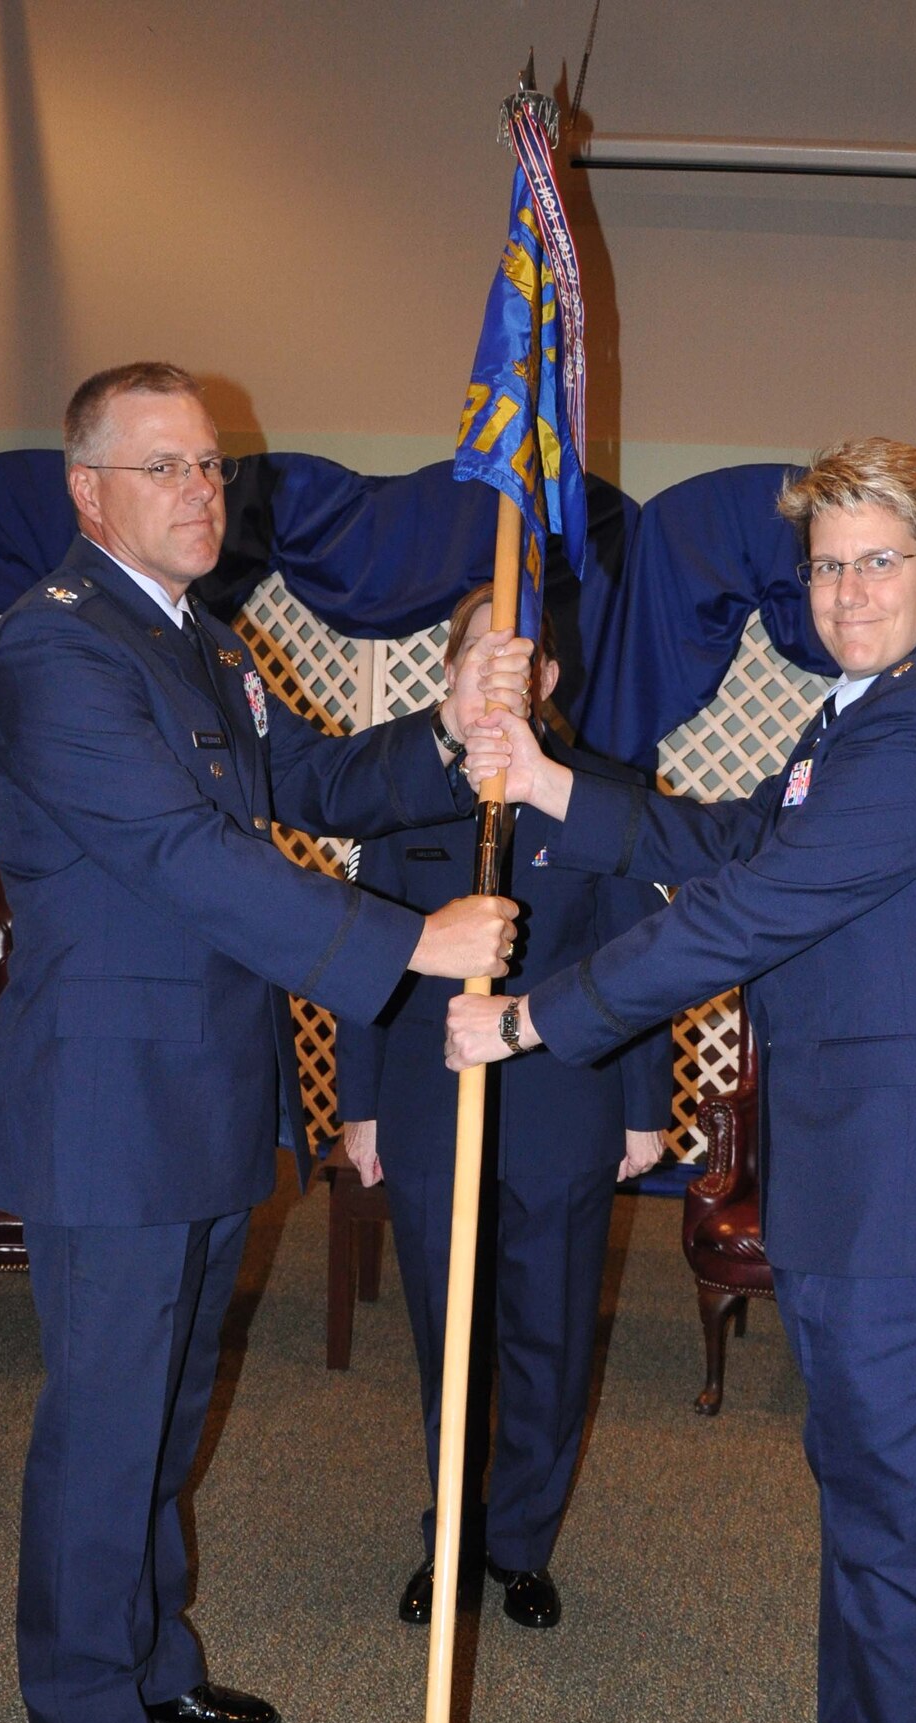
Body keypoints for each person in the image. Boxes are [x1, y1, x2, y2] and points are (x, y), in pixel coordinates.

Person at [447, 439, 916, 1723]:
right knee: (862, 1490)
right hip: (867, 1176)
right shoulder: (860, 716)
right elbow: (725, 837)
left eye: (878, 563)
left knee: (896, 1515)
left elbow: (752, 905)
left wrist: (537, 1016)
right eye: (828, 564)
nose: (847, 591)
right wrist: (544, 780)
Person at [0, 361, 529, 1723]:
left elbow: (315, 782)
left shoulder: (202, 642)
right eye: (165, 468)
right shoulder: (54, 650)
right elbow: (182, 855)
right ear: (87, 491)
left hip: (206, 1086)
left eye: (211, 467)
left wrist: (447, 720)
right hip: (110, 1101)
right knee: (108, 1410)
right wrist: (409, 945)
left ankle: (150, 1658)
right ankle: (82, 1707)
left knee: (168, 1401)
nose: (201, 491)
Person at [335, 586, 673, 1631]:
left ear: (549, 680)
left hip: (562, 1107)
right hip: (428, 1106)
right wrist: (360, 1107)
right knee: (448, 1337)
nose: (497, 675)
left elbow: (638, 962)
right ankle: (453, 1533)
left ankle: (519, 1542)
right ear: (448, 670)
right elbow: (364, 957)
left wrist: (640, 1109)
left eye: (519, 658)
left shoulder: (604, 793)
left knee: (549, 1336)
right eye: (477, 654)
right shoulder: (399, 795)